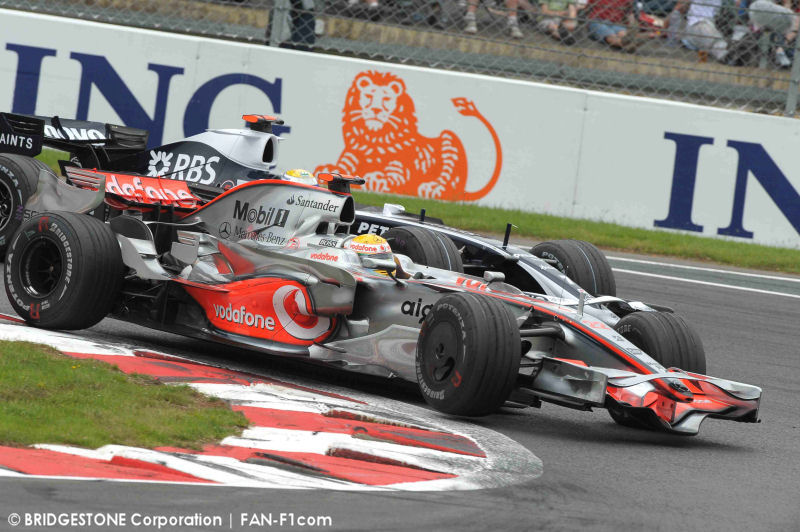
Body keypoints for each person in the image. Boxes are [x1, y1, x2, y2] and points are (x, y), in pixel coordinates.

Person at [749, 0, 798, 66]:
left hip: (789, 32)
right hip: (778, 29)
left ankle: (781, 49)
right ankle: (780, 50)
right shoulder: (773, 6)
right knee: (775, 31)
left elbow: (792, 21)